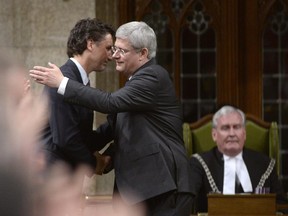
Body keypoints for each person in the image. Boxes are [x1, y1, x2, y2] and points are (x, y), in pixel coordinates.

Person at [30, 21, 194, 216]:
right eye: (112, 48)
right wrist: (101, 160)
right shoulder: (133, 84)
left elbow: (109, 103)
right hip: (141, 190)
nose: (114, 55)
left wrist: (62, 83)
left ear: (142, 54)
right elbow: (113, 131)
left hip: (164, 188)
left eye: (121, 51)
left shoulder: (153, 76)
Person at [38, 18, 115, 173]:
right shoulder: (59, 80)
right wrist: (93, 164)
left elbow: (83, 138)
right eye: (108, 48)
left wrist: (118, 121)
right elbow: (66, 139)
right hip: (51, 178)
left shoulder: (77, 81)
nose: (111, 56)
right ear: (91, 44)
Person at [189, 105, 288, 213]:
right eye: (225, 128)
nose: (232, 134)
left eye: (236, 127)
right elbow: (188, 204)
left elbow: (281, 206)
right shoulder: (199, 163)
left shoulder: (265, 164)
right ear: (214, 134)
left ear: (244, 134)